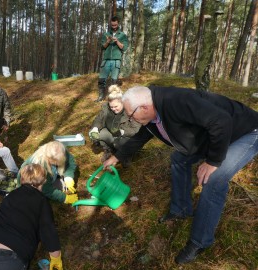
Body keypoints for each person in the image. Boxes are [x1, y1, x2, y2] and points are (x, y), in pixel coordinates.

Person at [103, 85, 258, 264]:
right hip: (216, 135)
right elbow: (141, 136)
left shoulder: (177, 101)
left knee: (214, 180)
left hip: (245, 132)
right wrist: (117, 156)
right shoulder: (152, 113)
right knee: (179, 158)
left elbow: (221, 121)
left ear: (144, 108)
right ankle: (181, 210)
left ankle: (200, 241)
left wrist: (213, 161)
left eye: (131, 115)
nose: (131, 119)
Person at [0, 164, 63, 270]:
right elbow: (49, 233)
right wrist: (56, 259)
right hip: (3, 262)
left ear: (22, 179)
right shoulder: (41, 201)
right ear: (44, 181)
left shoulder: (12, 194)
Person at [89, 84, 141, 164]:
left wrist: (122, 132)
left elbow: (136, 129)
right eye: (111, 107)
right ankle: (109, 151)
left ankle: (126, 156)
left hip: (125, 137)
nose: (113, 109)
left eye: (116, 106)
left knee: (119, 143)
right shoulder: (106, 107)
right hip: (111, 134)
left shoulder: (130, 110)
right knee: (99, 134)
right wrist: (95, 129)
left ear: (122, 103)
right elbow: (99, 119)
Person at [96, 16, 128, 102]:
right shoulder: (106, 34)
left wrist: (117, 41)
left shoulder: (123, 35)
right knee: (101, 79)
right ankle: (101, 96)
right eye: (112, 25)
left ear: (118, 24)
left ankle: (113, 98)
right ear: (110, 24)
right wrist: (108, 41)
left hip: (116, 60)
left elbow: (124, 48)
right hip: (106, 60)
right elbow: (102, 47)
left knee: (114, 80)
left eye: (115, 25)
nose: (114, 26)